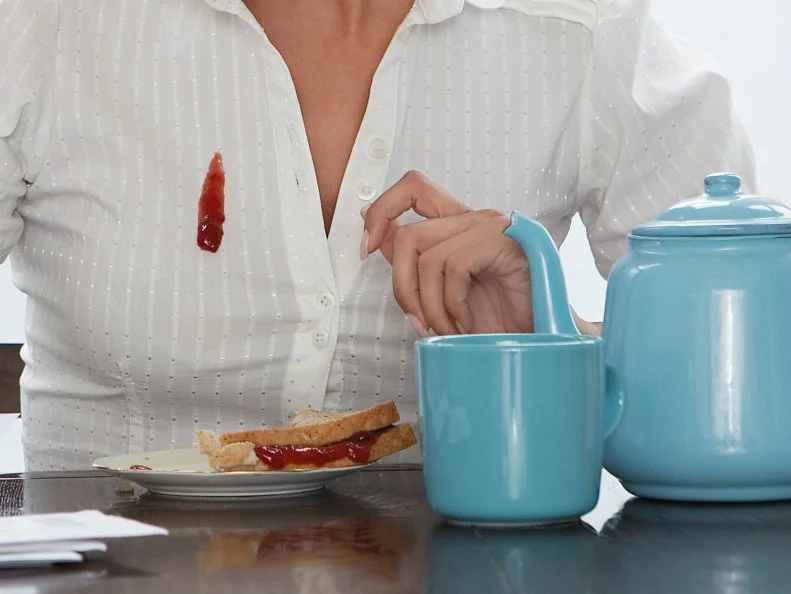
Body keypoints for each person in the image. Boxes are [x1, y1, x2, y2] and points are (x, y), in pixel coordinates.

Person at [0, 0, 754, 471]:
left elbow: (740, 405)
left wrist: (549, 339)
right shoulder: (44, 22)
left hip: (466, 565)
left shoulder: (586, 31)